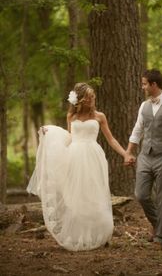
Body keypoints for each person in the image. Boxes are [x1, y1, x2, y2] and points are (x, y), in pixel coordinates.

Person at [27, 82, 133, 251]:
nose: (92, 100)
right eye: (89, 97)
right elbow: (70, 137)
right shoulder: (72, 117)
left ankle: (100, 234)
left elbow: (111, 139)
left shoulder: (100, 116)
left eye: (93, 97)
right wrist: (51, 135)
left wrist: (125, 154)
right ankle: (81, 235)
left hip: (93, 157)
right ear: (81, 100)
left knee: (94, 194)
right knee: (76, 196)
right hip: (74, 157)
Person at [126, 69, 162, 250]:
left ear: (154, 84)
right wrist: (129, 152)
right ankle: (157, 223)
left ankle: (161, 237)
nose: (142, 86)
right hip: (145, 155)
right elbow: (138, 130)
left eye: (144, 84)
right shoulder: (144, 106)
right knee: (141, 194)